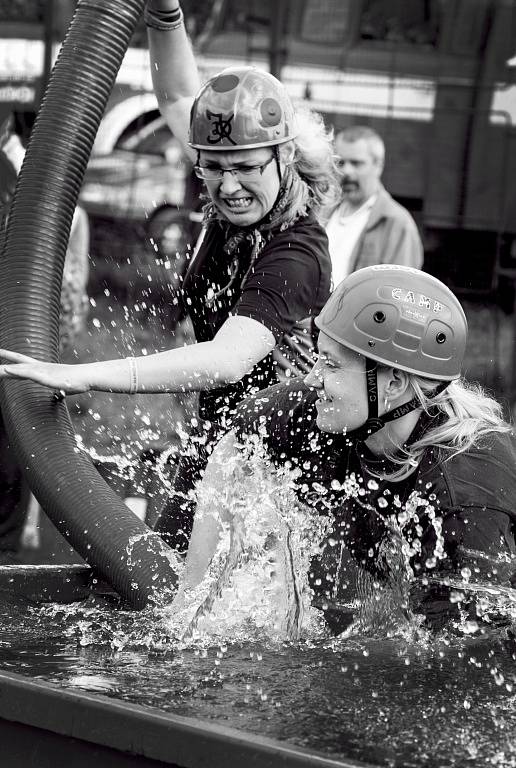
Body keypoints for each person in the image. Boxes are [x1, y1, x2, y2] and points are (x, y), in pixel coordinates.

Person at [0, 3, 337, 552]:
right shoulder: (234, 190)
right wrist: (165, 16)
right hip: (220, 444)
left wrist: (86, 375)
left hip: (280, 473)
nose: (228, 186)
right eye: (213, 167)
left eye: (247, 168)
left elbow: (227, 359)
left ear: (285, 158)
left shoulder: (296, 250)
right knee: (155, 593)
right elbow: (181, 97)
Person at [170, 265, 516, 634]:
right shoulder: (336, 410)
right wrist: (189, 603)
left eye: (331, 364)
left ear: (394, 383)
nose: (312, 377)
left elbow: (468, 661)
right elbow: (235, 448)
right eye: (319, 356)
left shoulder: (463, 498)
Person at [0, 114, 90, 561]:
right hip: (26, 348)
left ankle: (12, 548)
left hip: (21, 349)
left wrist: (57, 351)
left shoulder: (32, 184)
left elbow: (70, 287)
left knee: (12, 469)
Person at [324, 126, 424, 287]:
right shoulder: (324, 210)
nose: (346, 171)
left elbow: (401, 293)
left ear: (378, 165)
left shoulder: (397, 223)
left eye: (356, 163)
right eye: (341, 162)